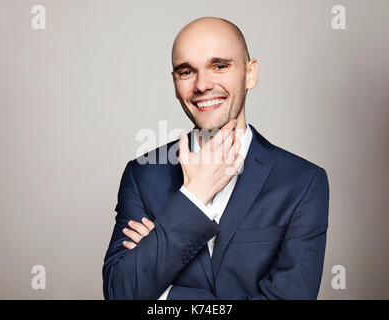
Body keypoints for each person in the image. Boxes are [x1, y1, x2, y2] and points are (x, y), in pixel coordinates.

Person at [102, 16, 330, 300]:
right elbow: (119, 293)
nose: (202, 85)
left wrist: (166, 294)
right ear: (174, 83)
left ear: (251, 74)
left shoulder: (303, 182)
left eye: (219, 66)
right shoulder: (143, 175)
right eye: (186, 72)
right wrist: (194, 196)